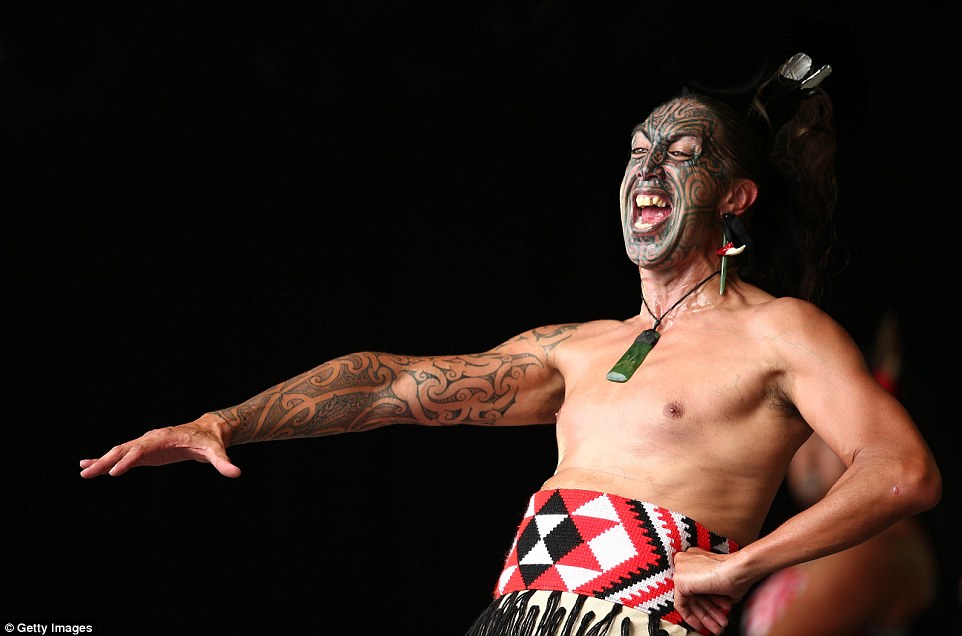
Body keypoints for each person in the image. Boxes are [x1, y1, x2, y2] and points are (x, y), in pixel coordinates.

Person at [79, 54, 941, 636]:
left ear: (735, 196)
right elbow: (389, 385)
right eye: (638, 152)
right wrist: (224, 421)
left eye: (682, 155)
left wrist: (742, 566)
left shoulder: (778, 329)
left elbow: (901, 470)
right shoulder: (572, 348)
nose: (649, 170)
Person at [740, 313, 938, 636]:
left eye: (829, 435)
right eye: (807, 430)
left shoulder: (879, 549)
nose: (812, 448)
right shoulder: (820, 542)